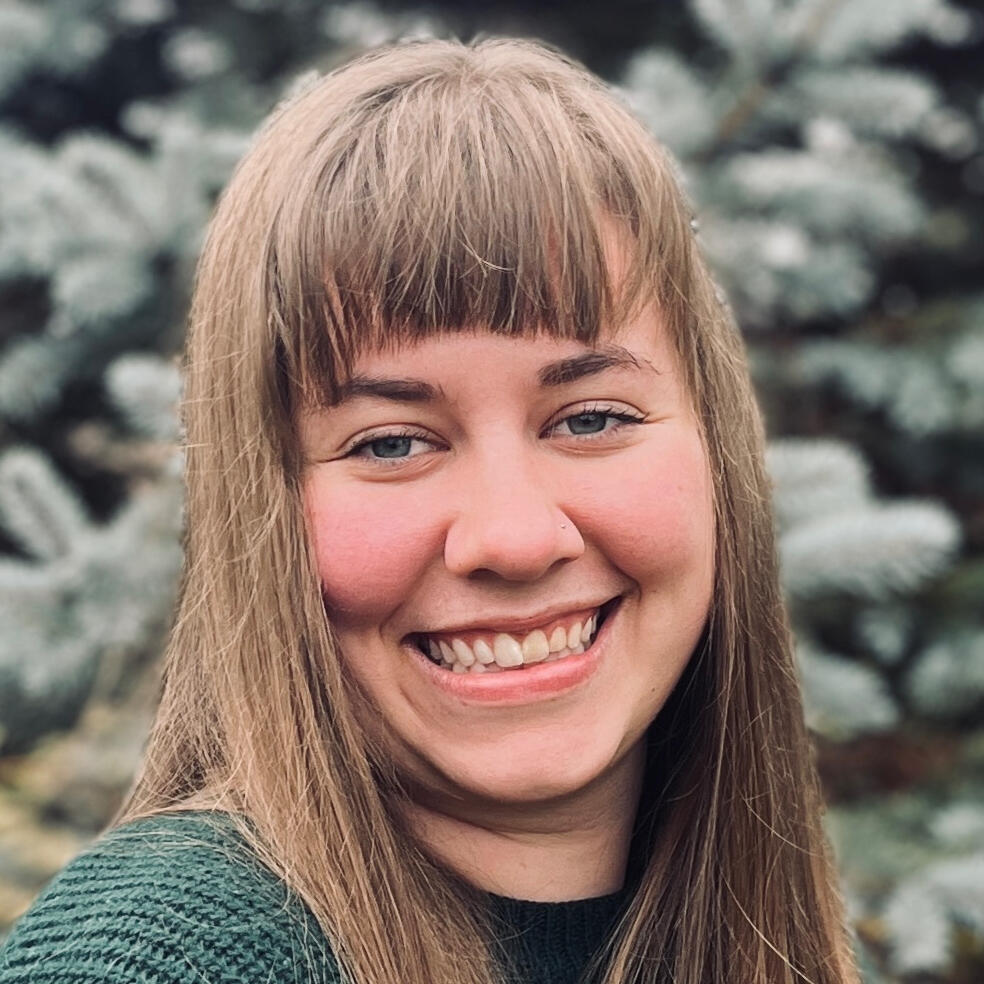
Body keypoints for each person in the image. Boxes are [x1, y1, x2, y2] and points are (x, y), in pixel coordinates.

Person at [0, 37, 858, 984]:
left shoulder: (754, 938)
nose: (514, 539)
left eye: (591, 419)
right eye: (391, 443)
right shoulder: (167, 958)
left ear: (716, 451)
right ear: (261, 509)